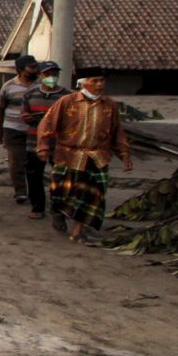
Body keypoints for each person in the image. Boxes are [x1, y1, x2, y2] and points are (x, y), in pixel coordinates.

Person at [37, 66, 133, 244]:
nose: (99, 84)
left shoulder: (110, 105)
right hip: (68, 156)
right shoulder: (67, 101)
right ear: (83, 83)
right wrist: (43, 146)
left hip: (97, 157)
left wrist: (124, 153)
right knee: (60, 194)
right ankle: (58, 213)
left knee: (91, 196)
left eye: (102, 80)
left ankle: (78, 230)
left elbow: (117, 131)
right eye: (94, 80)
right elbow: (47, 124)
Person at [19, 59, 70, 222]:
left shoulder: (68, 96)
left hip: (59, 144)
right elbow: (25, 115)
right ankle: (37, 206)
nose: (51, 77)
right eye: (47, 74)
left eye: (54, 74)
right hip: (34, 141)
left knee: (61, 177)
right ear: (40, 75)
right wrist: (28, 118)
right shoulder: (30, 95)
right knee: (34, 176)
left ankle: (58, 207)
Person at [0, 54, 39, 205]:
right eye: (31, 67)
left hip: (36, 130)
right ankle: (20, 192)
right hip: (13, 129)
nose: (35, 70)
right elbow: (0, 109)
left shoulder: (40, 86)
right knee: (15, 162)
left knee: (34, 162)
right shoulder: (8, 86)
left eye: (35, 67)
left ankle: (34, 192)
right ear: (20, 70)